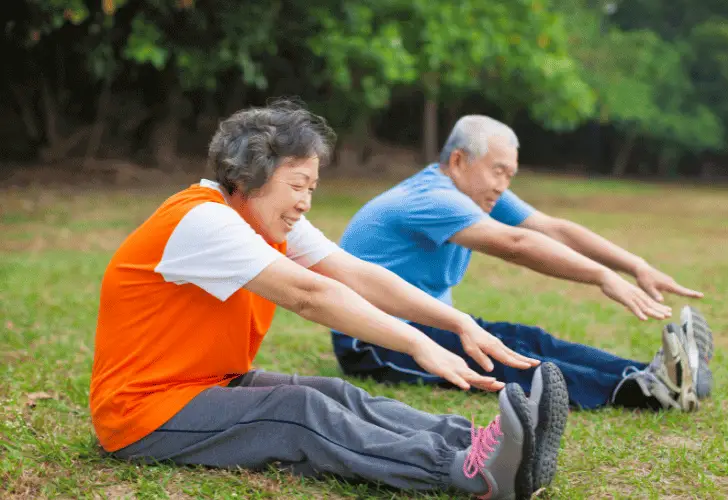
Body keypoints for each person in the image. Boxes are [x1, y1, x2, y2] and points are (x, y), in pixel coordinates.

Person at [88, 101, 571, 500]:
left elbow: (355, 274)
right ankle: (471, 471)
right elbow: (309, 294)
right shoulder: (203, 220)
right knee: (298, 411)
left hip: (205, 384)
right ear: (251, 176)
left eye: (311, 188)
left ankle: (483, 443)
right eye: (297, 185)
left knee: (335, 394)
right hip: (143, 415)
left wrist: (456, 322)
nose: (305, 202)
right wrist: (415, 343)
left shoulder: (267, 219)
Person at [332, 114, 715, 413]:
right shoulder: (432, 198)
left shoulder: (474, 192)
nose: (503, 184)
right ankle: (642, 391)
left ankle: (655, 373)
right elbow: (516, 244)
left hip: (427, 323)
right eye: (497, 170)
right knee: (509, 357)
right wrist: (600, 276)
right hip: (374, 342)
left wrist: (635, 265)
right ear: (459, 160)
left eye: (510, 175)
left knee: (529, 340)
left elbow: (553, 229)